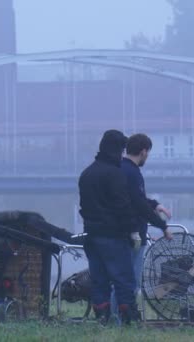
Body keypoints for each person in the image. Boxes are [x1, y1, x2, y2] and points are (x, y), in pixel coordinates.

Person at [78, 129, 140, 324]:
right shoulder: (115, 173)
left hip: (91, 236)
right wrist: (133, 231)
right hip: (113, 236)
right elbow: (123, 205)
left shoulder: (86, 173)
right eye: (122, 149)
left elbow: (84, 207)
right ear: (117, 149)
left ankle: (102, 320)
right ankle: (128, 321)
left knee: (99, 281)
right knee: (124, 280)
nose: (123, 153)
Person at [110, 133, 173, 322]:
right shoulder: (133, 172)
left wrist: (154, 204)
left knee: (121, 279)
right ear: (144, 151)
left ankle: (116, 318)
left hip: (120, 232)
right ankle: (119, 320)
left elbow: (133, 199)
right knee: (130, 281)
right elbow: (138, 203)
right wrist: (162, 226)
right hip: (133, 235)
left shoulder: (119, 168)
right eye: (148, 153)